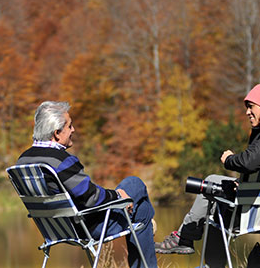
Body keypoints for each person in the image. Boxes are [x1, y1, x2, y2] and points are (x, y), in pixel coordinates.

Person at [154, 82, 260, 255]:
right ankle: (185, 239)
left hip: (258, 215)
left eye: (251, 107)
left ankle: (185, 239)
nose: (247, 112)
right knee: (217, 190)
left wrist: (229, 159)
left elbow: (248, 162)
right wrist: (243, 184)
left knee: (214, 195)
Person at [17, 101, 158, 268]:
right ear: (56, 133)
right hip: (87, 227)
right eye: (69, 126)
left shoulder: (22, 161)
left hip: (56, 229)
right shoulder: (59, 160)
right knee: (135, 187)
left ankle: (146, 223)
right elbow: (92, 198)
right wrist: (118, 195)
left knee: (141, 211)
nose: (73, 130)